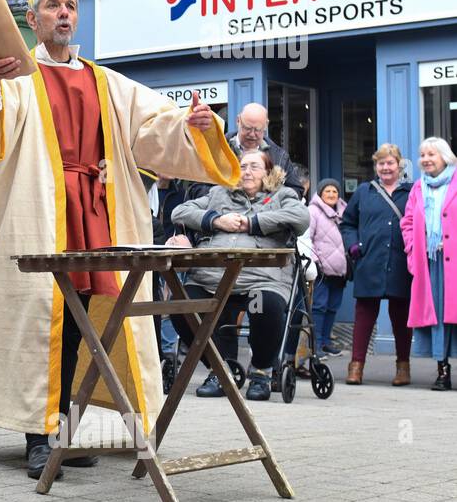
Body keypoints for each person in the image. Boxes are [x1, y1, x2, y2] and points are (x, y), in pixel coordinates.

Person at [0, 0, 239, 478]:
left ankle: (67, 426)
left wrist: (192, 126)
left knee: (88, 321)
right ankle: (40, 437)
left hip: (95, 213)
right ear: (31, 19)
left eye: (70, 5)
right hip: (40, 210)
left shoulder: (105, 80)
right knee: (48, 320)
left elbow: (154, 126)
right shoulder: (20, 77)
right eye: (52, 6)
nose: (64, 13)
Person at [169, 151, 310, 400]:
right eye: (242, 166)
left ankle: (261, 371)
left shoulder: (282, 195)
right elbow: (179, 212)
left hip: (260, 279)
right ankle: (219, 369)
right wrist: (216, 220)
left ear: (268, 173)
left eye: (254, 167)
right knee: (182, 306)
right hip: (212, 277)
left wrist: (252, 223)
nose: (247, 171)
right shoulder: (219, 193)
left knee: (265, 305)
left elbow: (300, 217)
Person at [340, 144, 413, 386]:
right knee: (364, 316)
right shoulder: (364, 191)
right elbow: (347, 223)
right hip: (369, 261)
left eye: (390, 163)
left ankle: (403, 368)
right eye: (381, 163)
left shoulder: (411, 192)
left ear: (399, 165)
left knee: (401, 317)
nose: (386, 167)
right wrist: (353, 246)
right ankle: (356, 367)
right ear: (376, 167)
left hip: (401, 262)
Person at [400, 137, 457, 392]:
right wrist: (413, 251)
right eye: (422, 155)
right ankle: (442, 371)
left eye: (431, 154)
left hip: (454, 263)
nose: (425, 159)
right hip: (430, 265)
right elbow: (408, 222)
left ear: (445, 156)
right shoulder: (417, 189)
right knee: (437, 319)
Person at [309, 179, 348, 356]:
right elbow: (307, 238)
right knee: (319, 306)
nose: (331, 194)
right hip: (321, 269)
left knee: (333, 306)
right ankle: (315, 344)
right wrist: (314, 262)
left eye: (334, 191)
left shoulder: (345, 212)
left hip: (339, 270)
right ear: (320, 193)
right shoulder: (313, 211)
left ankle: (325, 341)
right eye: (327, 191)